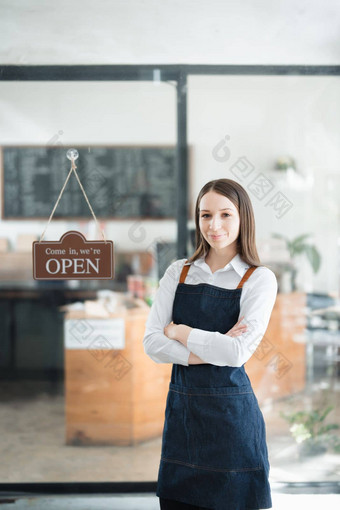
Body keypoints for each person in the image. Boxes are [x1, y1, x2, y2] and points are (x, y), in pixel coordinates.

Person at [143, 178, 277, 510]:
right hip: (183, 422)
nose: (214, 225)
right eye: (205, 215)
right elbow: (151, 343)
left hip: (233, 424)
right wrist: (209, 351)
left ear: (243, 218)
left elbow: (237, 353)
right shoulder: (179, 272)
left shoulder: (259, 278)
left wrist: (180, 332)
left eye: (225, 215)